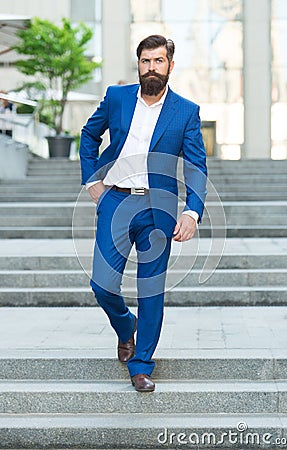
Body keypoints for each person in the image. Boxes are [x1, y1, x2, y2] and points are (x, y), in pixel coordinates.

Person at [79, 35, 207, 392]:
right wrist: (93, 183)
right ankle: (125, 327)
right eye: (146, 61)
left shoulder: (185, 111)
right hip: (116, 201)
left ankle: (141, 364)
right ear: (138, 64)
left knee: (151, 290)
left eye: (159, 61)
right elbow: (89, 135)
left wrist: (192, 212)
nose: (152, 67)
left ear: (170, 65)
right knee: (102, 284)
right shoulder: (117, 98)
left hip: (159, 209)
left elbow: (196, 166)